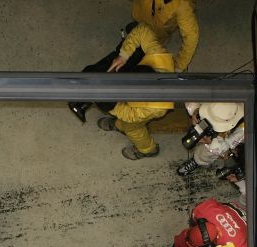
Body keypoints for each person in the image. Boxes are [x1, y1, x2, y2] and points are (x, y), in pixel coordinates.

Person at [93, 22, 176, 160]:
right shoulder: (158, 54)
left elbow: (129, 115)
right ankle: (119, 124)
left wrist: (113, 108)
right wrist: (124, 55)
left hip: (143, 111)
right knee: (126, 120)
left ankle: (147, 149)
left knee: (132, 128)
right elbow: (142, 30)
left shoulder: (155, 108)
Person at [175, 103, 245, 177]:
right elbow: (191, 94)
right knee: (194, 136)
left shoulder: (244, 127)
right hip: (207, 110)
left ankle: (197, 161)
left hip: (222, 138)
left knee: (206, 153)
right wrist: (195, 110)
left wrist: (210, 144)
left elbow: (226, 145)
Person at [130, 0, 199, 72]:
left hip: (159, 32)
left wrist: (179, 66)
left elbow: (191, 37)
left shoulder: (182, 5)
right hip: (140, 15)